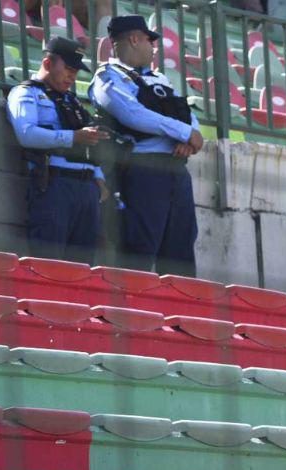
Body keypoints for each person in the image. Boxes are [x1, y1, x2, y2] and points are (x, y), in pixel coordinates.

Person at [90, 15, 203, 276]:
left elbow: (184, 112)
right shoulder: (108, 76)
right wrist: (184, 132)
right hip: (143, 171)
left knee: (181, 252)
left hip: (176, 170)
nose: (154, 47)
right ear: (134, 39)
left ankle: (180, 315)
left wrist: (188, 137)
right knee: (139, 250)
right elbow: (131, 113)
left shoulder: (159, 78)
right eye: (150, 40)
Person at [7, 36, 110, 264]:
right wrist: (73, 137)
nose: (73, 77)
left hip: (87, 190)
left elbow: (90, 141)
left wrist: (99, 178)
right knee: (48, 265)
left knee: (83, 270)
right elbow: (26, 134)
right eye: (68, 69)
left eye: (76, 71)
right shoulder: (26, 93)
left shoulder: (72, 101)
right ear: (47, 64)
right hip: (54, 184)